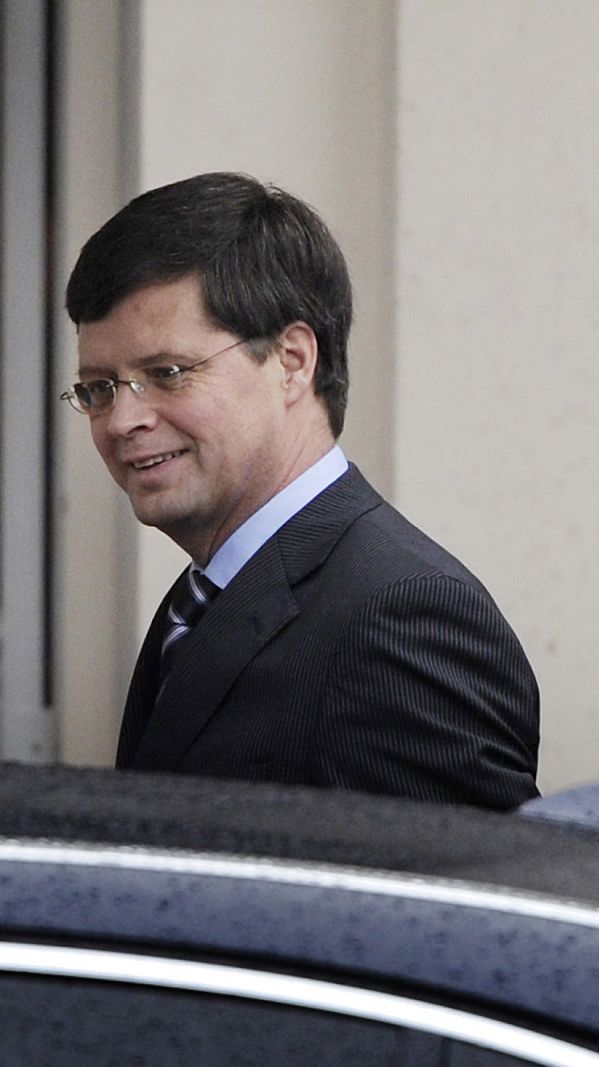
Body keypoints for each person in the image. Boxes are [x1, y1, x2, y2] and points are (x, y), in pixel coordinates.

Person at [64, 172, 540, 811]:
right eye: (99, 388)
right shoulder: (206, 596)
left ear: (292, 361)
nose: (123, 421)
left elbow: (457, 905)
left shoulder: (401, 616)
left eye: (166, 374)